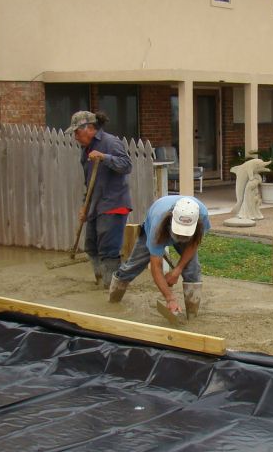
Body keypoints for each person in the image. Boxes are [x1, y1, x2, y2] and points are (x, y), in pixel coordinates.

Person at [108, 195, 211, 319]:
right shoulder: (158, 224)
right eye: (178, 233)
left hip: (188, 232)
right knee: (133, 266)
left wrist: (177, 270)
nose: (180, 237)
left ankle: (192, 316)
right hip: (159, 227)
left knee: (192, 269)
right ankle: (113, 301)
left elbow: (193, 244)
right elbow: (156, 266)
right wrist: (170, 298)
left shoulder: (203, 216)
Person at [66, 110, 132, 288]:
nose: (75, 137)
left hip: (113, 204)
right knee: (91, 246)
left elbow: (126, 165)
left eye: (76, 132)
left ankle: (112, 289)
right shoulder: (85, 150)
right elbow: (90, 182)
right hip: (95, 204)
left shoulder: (110, 142)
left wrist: (104, 157)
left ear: (88, 128)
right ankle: (101, 281)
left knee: (108, 250)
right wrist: (84, 206)